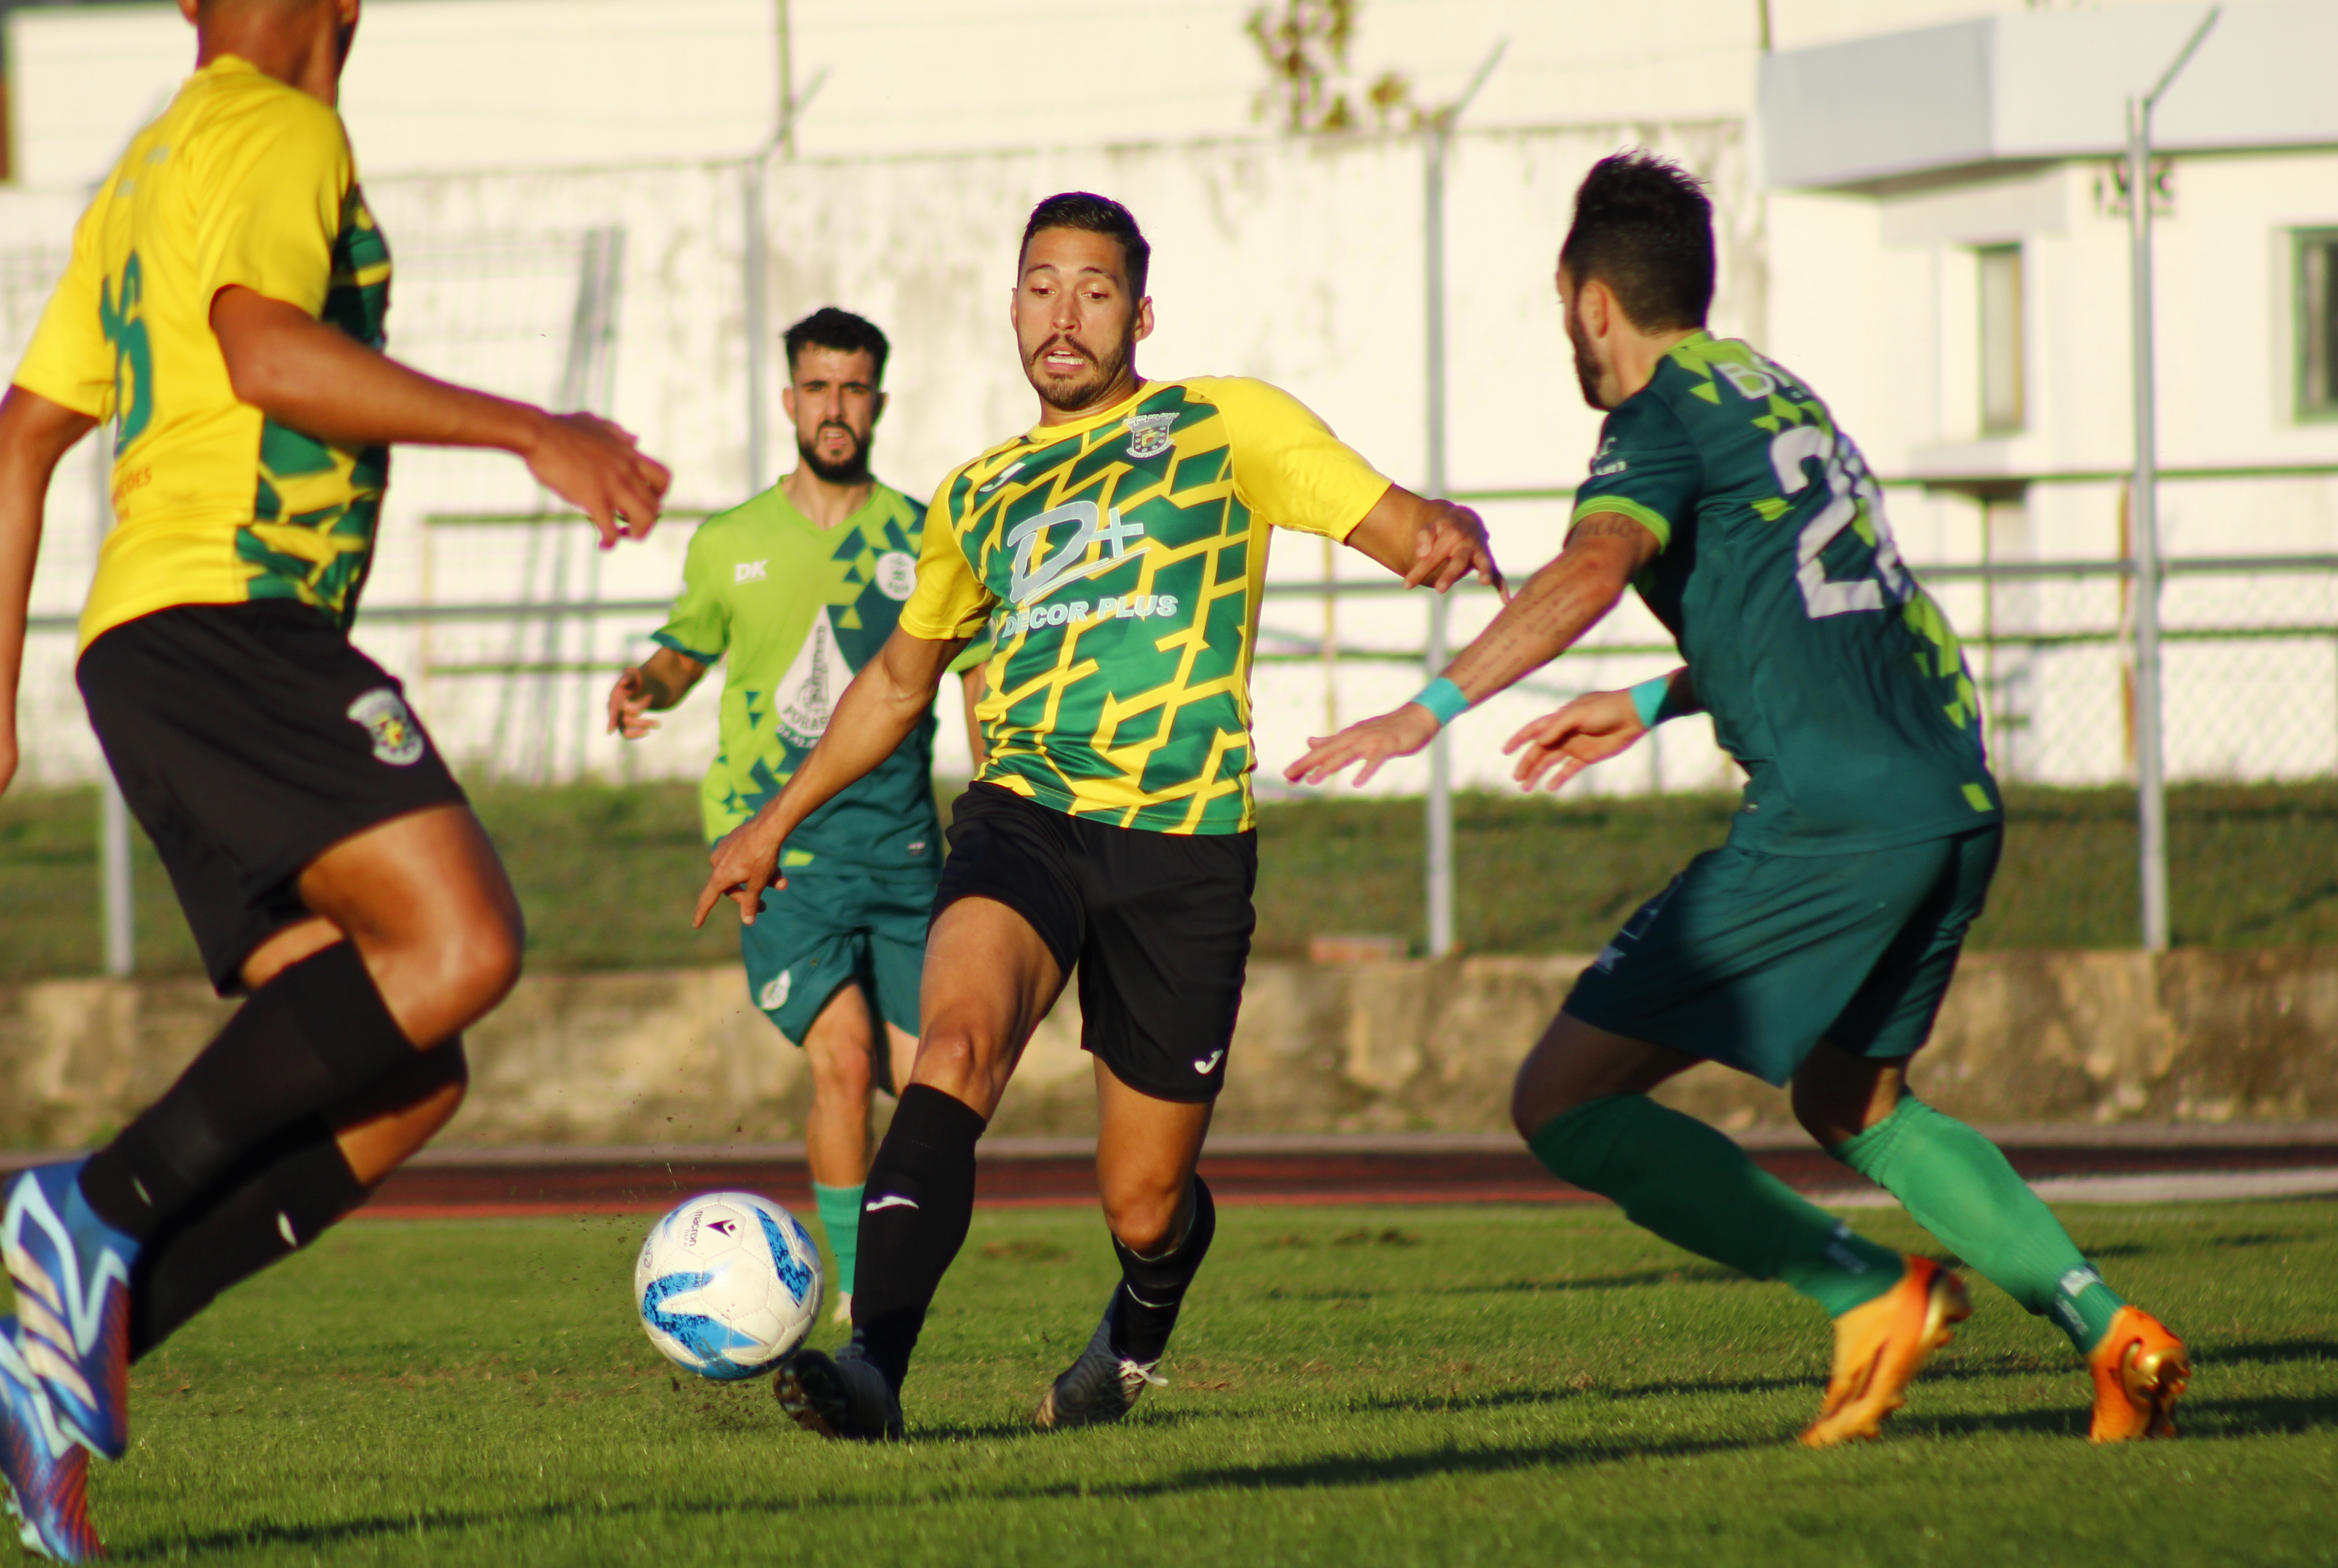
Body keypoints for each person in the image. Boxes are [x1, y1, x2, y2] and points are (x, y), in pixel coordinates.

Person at [0, 0, 670, 1563]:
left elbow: (14, 445)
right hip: (227, 623)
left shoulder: (145, 172)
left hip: (147, 656)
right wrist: (533, 431)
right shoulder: (278, 134)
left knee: (402, 1079)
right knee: (463, 942)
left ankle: (46, 1368)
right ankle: (86, 1205)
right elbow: (264, 352)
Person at [1288, 151, 2188, 1446]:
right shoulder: (1777, 396)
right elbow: (1819, 615)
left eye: (1564, 313)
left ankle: (1869, 1292)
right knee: (1851, 1103)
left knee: (1562, 1098)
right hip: (1951, 794)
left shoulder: (1654, 420)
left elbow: (1594, 567)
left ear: (1591, 302)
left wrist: (1422, 710)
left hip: (1833, 819)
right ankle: (2113, 1333)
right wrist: (1657, 702)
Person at [695, 192, 1502, 1440]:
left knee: (1142, 1203)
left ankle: (1139, 1323)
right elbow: (902, 682)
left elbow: (1398, 525)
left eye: (1095, 290)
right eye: (1040, 285)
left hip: (1184, 850)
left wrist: (1444, 536)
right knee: (951, 1051)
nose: (1063, 315)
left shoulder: (1224, 424)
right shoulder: (977, 496)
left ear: (1140, 313)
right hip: (1028, 815)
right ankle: (875, 1370)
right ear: (1012, 304)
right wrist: (773, 821)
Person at [610, 308, 989, 1323]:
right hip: (775, 843)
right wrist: (647, 680)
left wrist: (995, 790)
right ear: (790, 400)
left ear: (878, 401)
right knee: (846, 1057)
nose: (836, 407)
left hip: (903, 846)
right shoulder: (732, 541)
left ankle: (903, 1265)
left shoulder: (922, 534)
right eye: (818, 387)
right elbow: (686, 649)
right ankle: (865, 1290)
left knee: (941, 1094)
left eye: (854, 388)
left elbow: (974, 676)